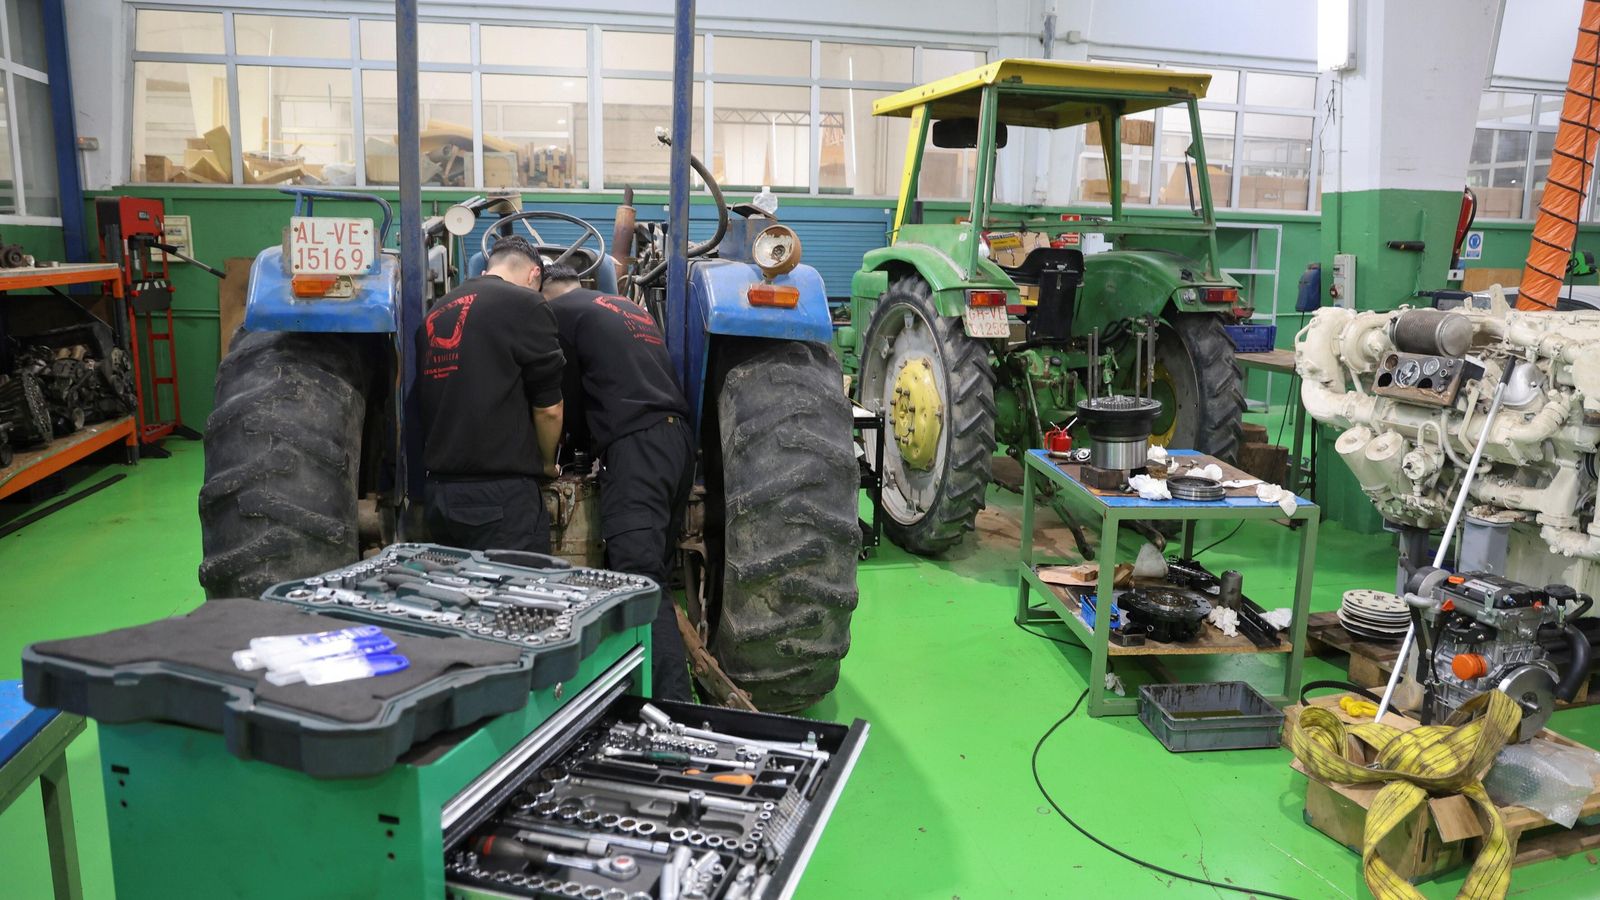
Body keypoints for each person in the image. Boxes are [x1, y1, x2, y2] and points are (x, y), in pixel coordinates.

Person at [539, 262, 695, 702]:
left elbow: (558, 396)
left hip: (636, 447)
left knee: (640, 581)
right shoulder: (624, 307)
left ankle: (669, 707)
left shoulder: (557, 314)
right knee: (656, 572)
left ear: (545, 293)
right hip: (676, 440)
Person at [416, 236, 564, 553]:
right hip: (501, 500)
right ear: (534, 275)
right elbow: (549, 409)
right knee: (519, 600)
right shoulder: (526, 304)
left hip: (441, 497)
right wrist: (548, 463)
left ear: (487, 270)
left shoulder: (434, 313)